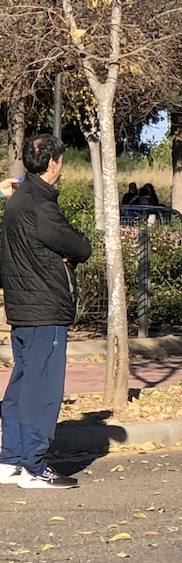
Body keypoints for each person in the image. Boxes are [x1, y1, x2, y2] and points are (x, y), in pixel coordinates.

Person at [0, 135, 91, 489]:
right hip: (45, 308)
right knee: (44, 387)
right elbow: (77, 244)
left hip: (22, 307)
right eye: (61, 161)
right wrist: (68, 253)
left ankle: (11, 457)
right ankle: (35, 465)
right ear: (53, 163)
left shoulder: (17, 200)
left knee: (22, 383)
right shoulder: (41, 205)